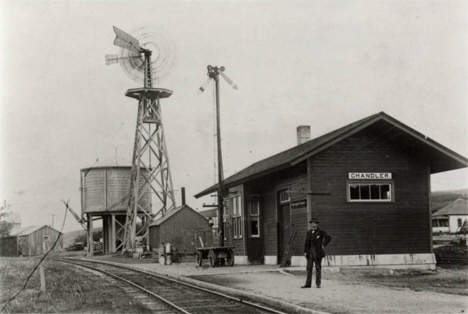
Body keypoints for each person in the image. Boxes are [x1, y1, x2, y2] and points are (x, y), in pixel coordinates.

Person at [302, 217, 332, 289]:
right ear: (311, 224)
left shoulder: (320, 232)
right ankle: (308, 284)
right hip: (310, 253)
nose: (313, 225)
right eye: (312, 223)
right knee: (309, 268)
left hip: (317, 252)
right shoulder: (308, 232)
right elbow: (306, 243)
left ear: (317, 224)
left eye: (315, 223)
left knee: (318, 268)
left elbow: (328, 237)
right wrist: (305, 252)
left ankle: (318, 284)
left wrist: (323, 245)